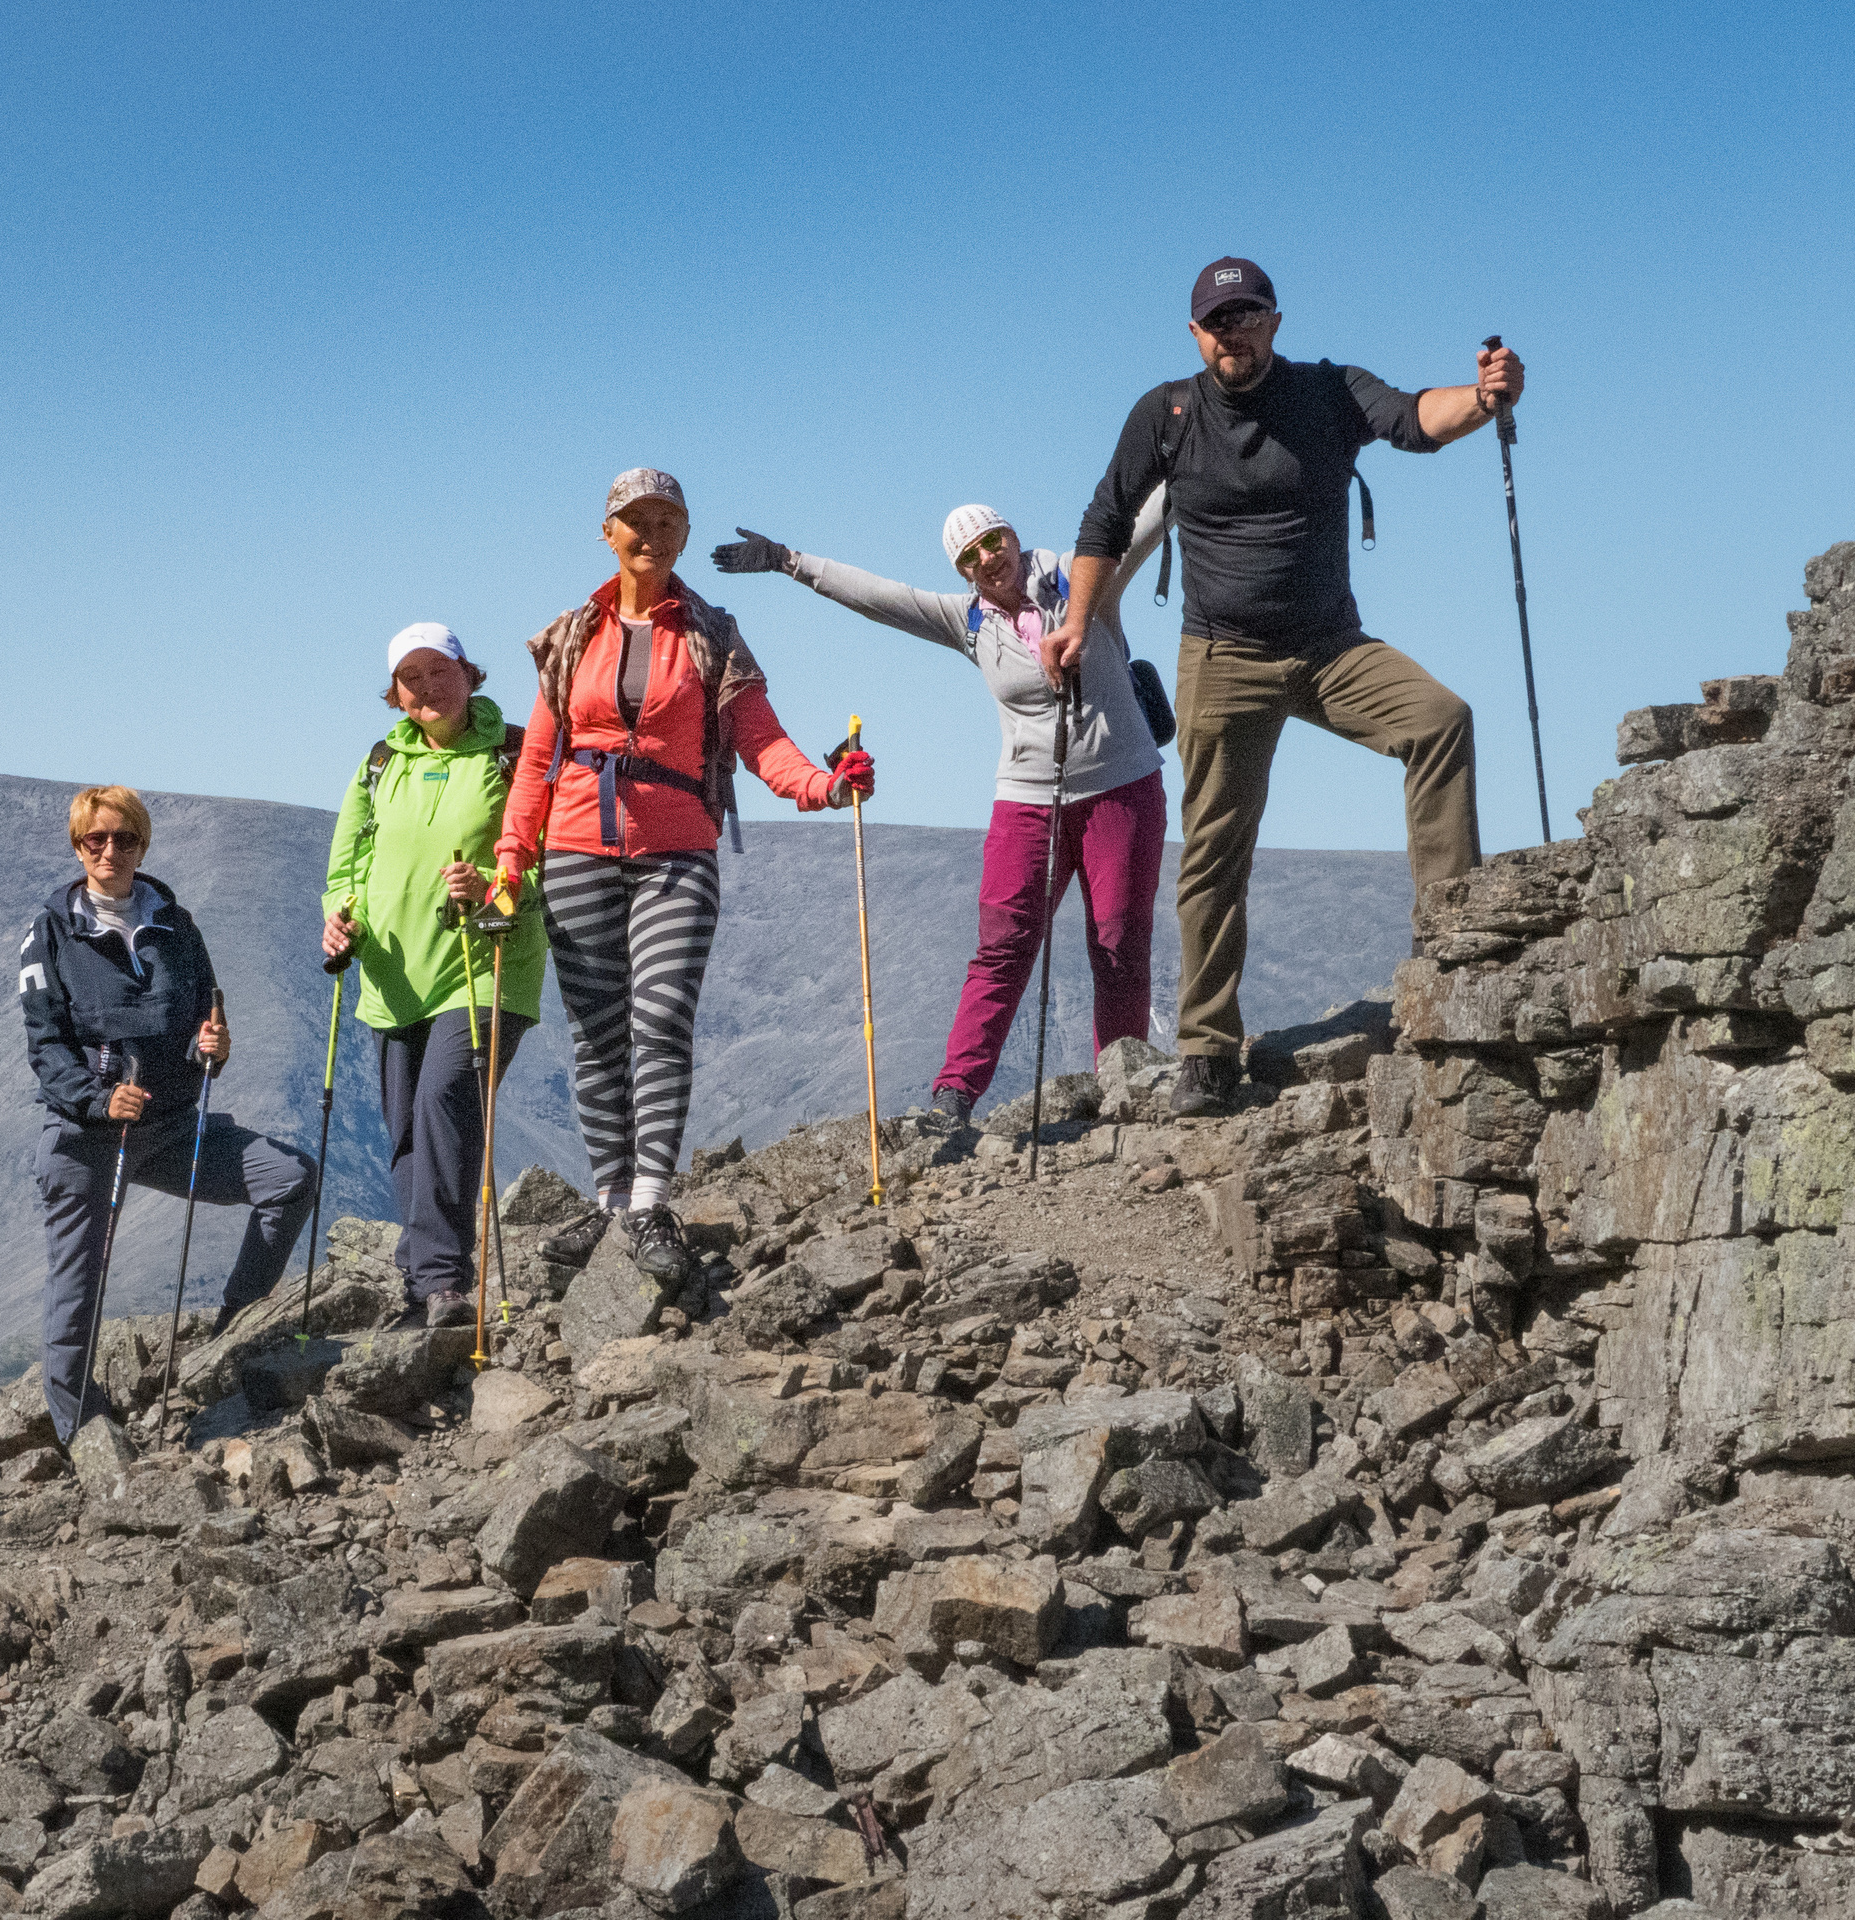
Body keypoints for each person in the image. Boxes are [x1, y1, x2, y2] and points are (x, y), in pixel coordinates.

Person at [1053, 257, 1527, 1117]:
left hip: (1328, 648)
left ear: (1275, 320)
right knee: (1214, 850)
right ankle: (1206, 1048)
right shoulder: (1166, 414)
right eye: (1217, 320)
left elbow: (1416, 419)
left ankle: (1459, 955)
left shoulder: (1329, 390)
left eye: (1248, 315)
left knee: (1440, 720)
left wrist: (1486, 395)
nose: (1233, 332)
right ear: (1195, 334)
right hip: (1221, 658)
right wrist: (1080, 621)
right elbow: (1105, 518)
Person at [491, 468, 875, 1281]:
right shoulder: (571, 636)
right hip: (573, 852)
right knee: (598, 1036)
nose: (651, 535)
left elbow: (761, 741)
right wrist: (509, 861)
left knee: (660, 1015)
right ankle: (610, 1202)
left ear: (684, 537)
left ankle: (650, 1199)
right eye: (636, 520)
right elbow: (535, 762)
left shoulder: (712, 632)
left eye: (669, 522)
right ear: (607, 532)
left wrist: (825, 785)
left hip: (677, 853)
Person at [712, 487, 1173, 1128]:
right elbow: (880, 598)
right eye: (971, 554)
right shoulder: (970, 621)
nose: (988, 557)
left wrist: (1206, 440)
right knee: (1003, 946)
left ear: (1012, 536)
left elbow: (1146, 522)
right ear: (962, 570)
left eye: (994, 540)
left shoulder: (1081, 573)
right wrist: (787, 559)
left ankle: (1120, 1090)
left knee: (1119, 942)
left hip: (1122, 788)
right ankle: (953, 1097)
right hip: (1028, 801)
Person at [20, 785, 316, 1443]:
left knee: (291, 1176)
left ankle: (234, 1332)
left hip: (175, 1126)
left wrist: (213, 1046)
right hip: (87, 1138)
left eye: (125, 838)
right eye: (95, 839)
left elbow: (205, 1015)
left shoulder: (175, 926)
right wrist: (99, 1099)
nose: (110, 850)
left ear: (143, 844)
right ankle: (81, 1432)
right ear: (77, 847)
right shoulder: (50, 933)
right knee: (79, 1282)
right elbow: (45, 1046)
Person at [320, 626, 549, 1328]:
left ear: (468, 672)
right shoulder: (379, 761)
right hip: (392, 974)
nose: (423, 686)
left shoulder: (514, 752)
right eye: (408, 677)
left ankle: (445, 1280)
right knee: (405, 1134)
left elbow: (551, 857)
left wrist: (492, 884)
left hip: (485, 968)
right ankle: (425, 1281)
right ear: (394, 691)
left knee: (443, 1105)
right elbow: (347, 867)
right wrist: (341, 918)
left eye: (437, 670)